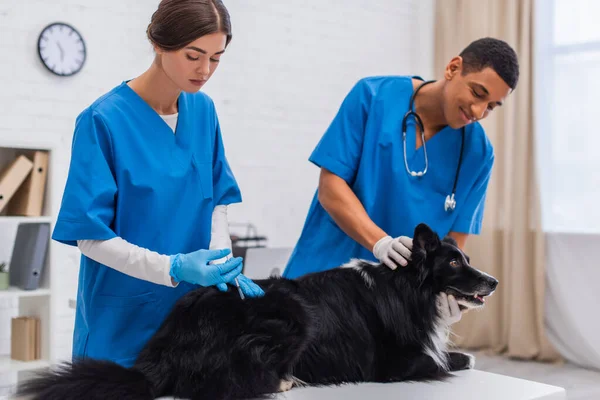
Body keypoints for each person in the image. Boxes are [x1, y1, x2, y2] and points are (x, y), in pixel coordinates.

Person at [52, 0, 264, 368]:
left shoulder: (203, 111)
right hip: (120, 323)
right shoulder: (102, 121)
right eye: (193, 55)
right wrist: (173, 267)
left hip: (189, 325)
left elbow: (217, 198)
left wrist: (221, 257)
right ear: (158, 44)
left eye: (216, 57)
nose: (205, 70)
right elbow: (89, 236)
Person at [283, 38, 519, 324]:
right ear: (453, 68)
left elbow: (454, 243)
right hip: (323, 281)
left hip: (392, 310)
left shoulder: (479, 153)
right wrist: (380, 243)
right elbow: (331, 187)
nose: (479, 112)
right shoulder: (372, 97)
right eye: (477, 93)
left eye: (491, 106)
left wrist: (450, 295)